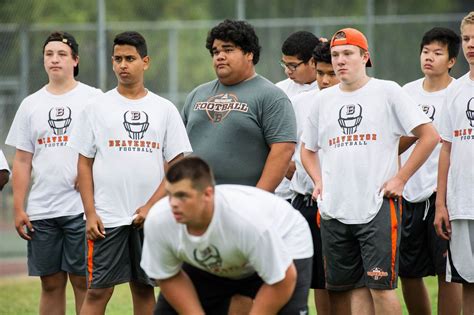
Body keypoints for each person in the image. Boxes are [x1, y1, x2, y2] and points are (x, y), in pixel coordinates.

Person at [300, 28, 439, 315]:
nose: (340, 61)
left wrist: (401, 179)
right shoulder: (322, 101)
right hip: (333, 209)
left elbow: (429, 136)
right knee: (342, 290)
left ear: (365, 57)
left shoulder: (387, 91)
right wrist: (318, 181)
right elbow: (307, 150)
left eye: (348, 54)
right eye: (336, 55)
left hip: (377, 206)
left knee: (381, 288)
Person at [68, 31, 192, 315]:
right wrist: (90, 213)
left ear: (145, 62)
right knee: (98, 291)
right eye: (118, 59)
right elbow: (84, 163)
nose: (123, 65)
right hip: (106, 218)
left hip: (147, 217)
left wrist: (151, 206)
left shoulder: (164, 109)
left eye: (130, 58)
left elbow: (176, 165)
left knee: (144, 287)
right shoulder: (96, 107)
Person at [5, 31, 102, 315]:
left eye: (61, 54)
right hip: (43, 210)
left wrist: (89, 174)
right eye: (49, 54)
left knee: (83, 282)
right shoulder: (31, 104)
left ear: (75, 60)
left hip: (81, 210)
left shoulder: (94, 98)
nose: (55, 59)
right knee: (50, 283)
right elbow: (22, 160)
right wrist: (19, 208)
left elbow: (106, 148)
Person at [140, 156, 313, 315]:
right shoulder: (159, 219)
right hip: (218, 259)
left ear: (207, 194)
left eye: (182, 196)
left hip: (285, 241)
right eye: (169, 195)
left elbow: (282, 280)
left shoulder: (245, 222)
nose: (173, 204)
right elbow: (168, 275)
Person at [182, 19, 296, 192]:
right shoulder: (197, 94)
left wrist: (257, 198)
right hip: (195, 200)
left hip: (242, 200)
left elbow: (283, 151)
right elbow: (176, 149)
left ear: (249, 54)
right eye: (215, 51)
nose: (219, 56)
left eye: (228, 50)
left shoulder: (271, 96)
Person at [399, 27, 462, 315]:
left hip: (443, 196)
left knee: (447, 273)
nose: (429, 57)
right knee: (408, 271)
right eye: (426, 51)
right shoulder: (405, 93)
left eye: (438, 53)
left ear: (451, 61)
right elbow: (394, 141)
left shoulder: (458, 93)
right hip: (407, 195)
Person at [289, 40, 338, 315]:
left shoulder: (362, 99)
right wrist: (299, 177)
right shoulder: (298, 104)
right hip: (307, 202)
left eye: (331, 73)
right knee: (319, 281)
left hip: (346, 204)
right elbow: (285, 148)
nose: (325, 80)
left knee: (345, 281)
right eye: (321, 73)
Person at [434, 11, 474, 315]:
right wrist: (441, 204)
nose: (471, 44)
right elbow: (445, 149)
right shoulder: (455, 91)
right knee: (468, 282)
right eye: (467, 38)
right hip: (462, 205)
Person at [275, 31, 320, 201]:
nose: (287, 71)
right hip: (283, 191)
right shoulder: (278, 91)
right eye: (284, 64)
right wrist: (285, 166)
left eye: (293, 66)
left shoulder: (330, 90)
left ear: (312, 62)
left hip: (316, 190)